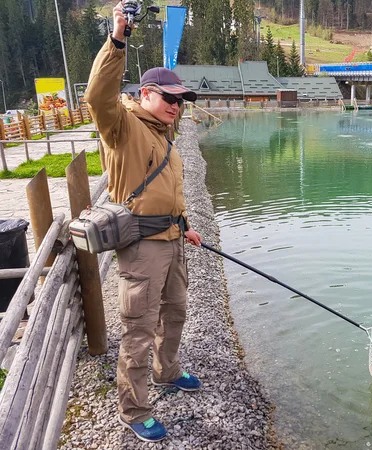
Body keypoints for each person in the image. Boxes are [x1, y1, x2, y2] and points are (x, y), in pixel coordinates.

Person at [85, 2, 202, 443]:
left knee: (175, 313)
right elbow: (98, 95)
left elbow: (169, 190)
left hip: (173, 239)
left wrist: (185, 222)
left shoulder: (165, 133)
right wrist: (118, 37)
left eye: (182, 100)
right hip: (141, 247)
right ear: (147, 93)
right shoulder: (121, 125)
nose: (177, 106)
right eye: (169, 98)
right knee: (138, 327)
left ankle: (167, 371)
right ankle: (133, 410)